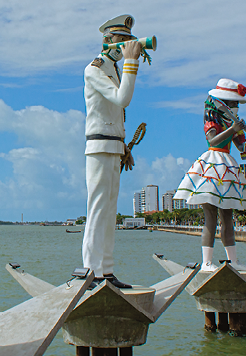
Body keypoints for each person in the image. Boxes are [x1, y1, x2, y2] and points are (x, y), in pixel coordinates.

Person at [82, 14, 142, 289]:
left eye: (128, 41)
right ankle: (90, 271)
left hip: (113, 145)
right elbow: (122, 98)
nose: (125, 45)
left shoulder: (114, 69)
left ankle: (105, 270)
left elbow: (117, 111)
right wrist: (132, 62)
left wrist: (123, 146)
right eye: (122, 40)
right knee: (97, 209)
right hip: (98, 145)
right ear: (107, 39)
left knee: (109, 211)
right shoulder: (94, 69)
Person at [174, 79, 246, 271]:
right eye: (234, 103)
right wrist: (233, 130)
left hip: (227, 165)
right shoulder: (213, 121)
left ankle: (233, 261)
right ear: (224, 103)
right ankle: (207, 262)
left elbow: (242, 148)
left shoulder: (231, 122)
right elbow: (213, 140)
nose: (236, 106)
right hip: (213, 164)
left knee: (228, 217)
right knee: (210, 216)